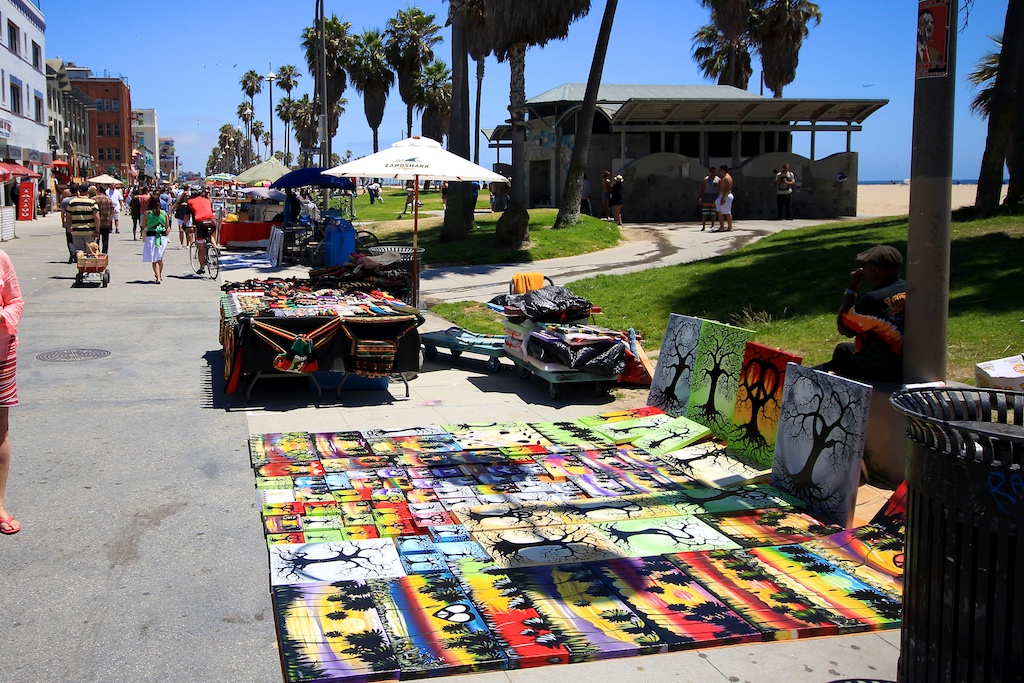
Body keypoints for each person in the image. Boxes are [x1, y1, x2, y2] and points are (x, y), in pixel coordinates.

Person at [823, 245, 906, 383]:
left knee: (837, 360)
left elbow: (843, 327)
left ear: (876, 270)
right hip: (903, 361)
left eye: (863, 265)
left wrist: (852, 288)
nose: (861, 270)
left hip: (879, 369)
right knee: (843, 350)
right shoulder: (907, 287)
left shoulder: (872, 299)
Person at [0, 248, 23, 535]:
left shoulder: (0, 258)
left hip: (1, 352)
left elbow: (15, 300)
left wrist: (3, 317)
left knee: (0, 430)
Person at [187, 188, 217, 271]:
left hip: (201, 222)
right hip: (212, 221)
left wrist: (184, 225)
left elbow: (186, 216)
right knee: (209, 235)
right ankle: (215, 247)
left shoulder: (190, 202)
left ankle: (201, 267)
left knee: (201, 247)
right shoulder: (207, 200)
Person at [67, 182, 99, 257]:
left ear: (79, 191)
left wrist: (69, 227)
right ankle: (89, 267)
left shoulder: (72, 203)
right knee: (91, 250)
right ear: (87, 192)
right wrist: (97, 230)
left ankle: (80, 265)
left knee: (79, 250)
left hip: (76, 230)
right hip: (89, 231)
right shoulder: (92, 203)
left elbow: (68, 217)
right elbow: (97, 217)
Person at [142, 195, 169, 283]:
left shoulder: (147, 213)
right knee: (159, 258)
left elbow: (144, 226)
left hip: (151, 237)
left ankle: (158, 277)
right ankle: (159, 274)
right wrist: (166, 236)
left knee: (154, 259)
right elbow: (167, 227)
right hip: (162, 237)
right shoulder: (164, 213)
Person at [90, 186, 115, 254]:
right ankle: (104, 254)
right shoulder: (108, 199)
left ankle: (96, 253)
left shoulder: (93, 199)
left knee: (96, 240)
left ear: (98, 190)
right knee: (105, 240)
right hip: (106, 222)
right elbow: (113, 211)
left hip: (95, 223)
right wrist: (110, 219)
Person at [714, 165, 734, 232]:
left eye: (720, 170)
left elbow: (727, 189)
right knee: (719, 212)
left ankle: (730, 227)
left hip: (725, 196)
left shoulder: (727, 178)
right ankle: (722, 227)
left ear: (723, 170)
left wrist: (723, 198)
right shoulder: (723, 178)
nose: (719, 172)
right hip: (721, 196)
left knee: (727, 212)